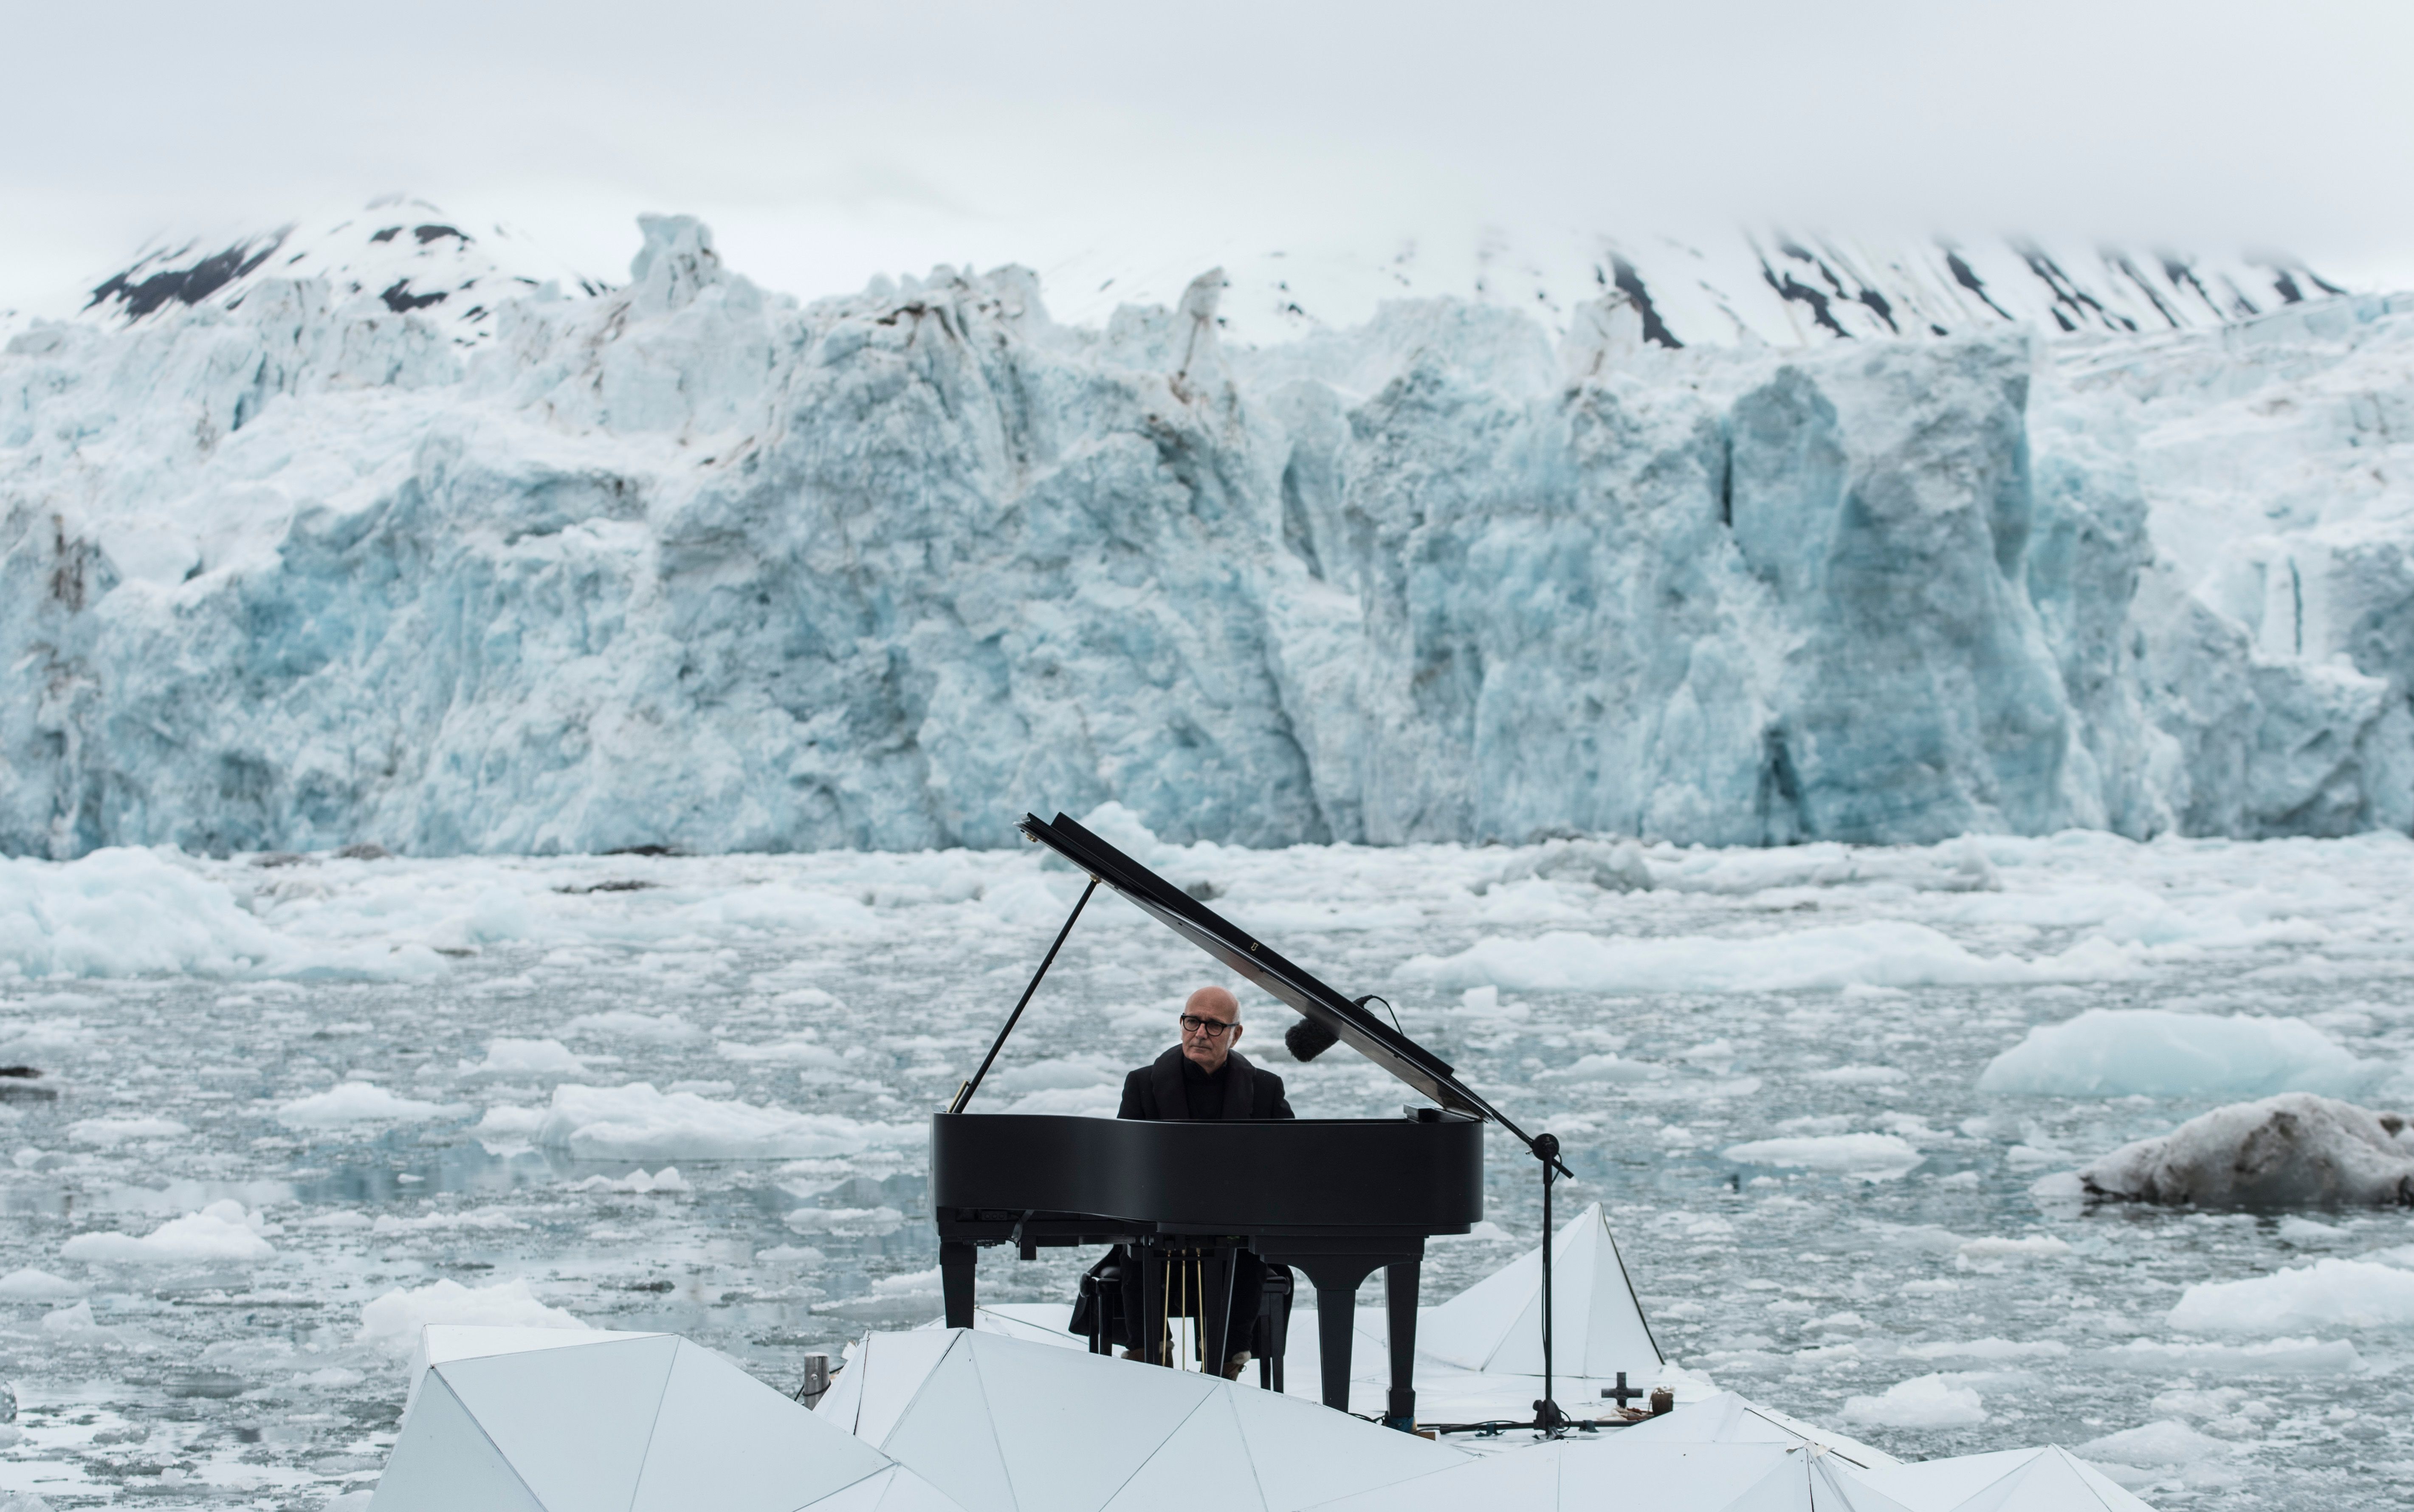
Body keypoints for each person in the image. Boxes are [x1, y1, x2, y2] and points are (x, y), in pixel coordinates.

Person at [1097, 986, 1292, 1377]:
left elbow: (1288, 1163)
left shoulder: (1266, 1089)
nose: (1200, 1032)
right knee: (1135, 1248)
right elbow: (1122, 1168)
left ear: (1236, 1034)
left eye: (1214, 1025)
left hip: (1234, 1234)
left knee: (1252, 1251)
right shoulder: (1141, 1084)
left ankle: (1227, 1365)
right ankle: (1150, 1357)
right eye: (1192, 1021)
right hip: (1160, 1235)